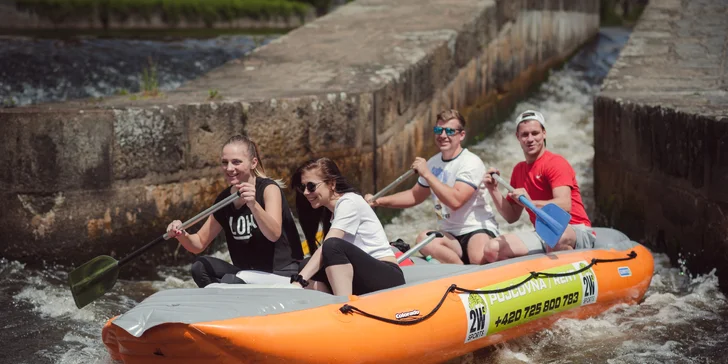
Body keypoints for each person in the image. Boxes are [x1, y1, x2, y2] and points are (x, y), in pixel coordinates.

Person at [365, 109, 500, 265]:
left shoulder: (470, 162)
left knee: (477, 257)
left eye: (449, 131)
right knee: (424, 239)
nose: (443, 135)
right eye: (438, 130)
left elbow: (455, 201)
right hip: (450, 234)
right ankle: (460, 272)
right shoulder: (433, 163)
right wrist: (378, 201)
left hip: (475, 228)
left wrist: (427, 175)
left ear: (461, 135)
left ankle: (472, 272)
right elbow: (415, 195)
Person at [165, 135, 302, 287]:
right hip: (246, 273)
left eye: (236, 162)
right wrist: (181, 234)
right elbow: (198, 244)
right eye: (225, 163)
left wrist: (253, 205)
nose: (229, 168)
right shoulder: (225, 198)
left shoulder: (269, 189)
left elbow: (274, 234)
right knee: (200, 266)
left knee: (232, 281)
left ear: (253, 163)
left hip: (280, 273)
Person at [482, 110, 595, 260]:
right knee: (492, 249)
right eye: (525, 135)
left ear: (544, 133)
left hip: (574, 229)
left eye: (535, 133)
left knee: (556, 239)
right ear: (518, 137)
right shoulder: (518, 170)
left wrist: (530, 202)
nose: (530, 139)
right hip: (543, 233)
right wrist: (493, 189)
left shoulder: (555, 163)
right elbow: (511, 216)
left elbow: (564, 205)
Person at [290, 157, 405, 296]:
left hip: (387, 276)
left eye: (311, 186)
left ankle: (343, 304)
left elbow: (329, 245)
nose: (306, 193)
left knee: (332, 246)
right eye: (303, 187)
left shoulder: (349, 202)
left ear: (332, 184)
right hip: (363, 275)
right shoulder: (333, 212)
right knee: (305, 265)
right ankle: (327, 304)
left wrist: (299, 281)